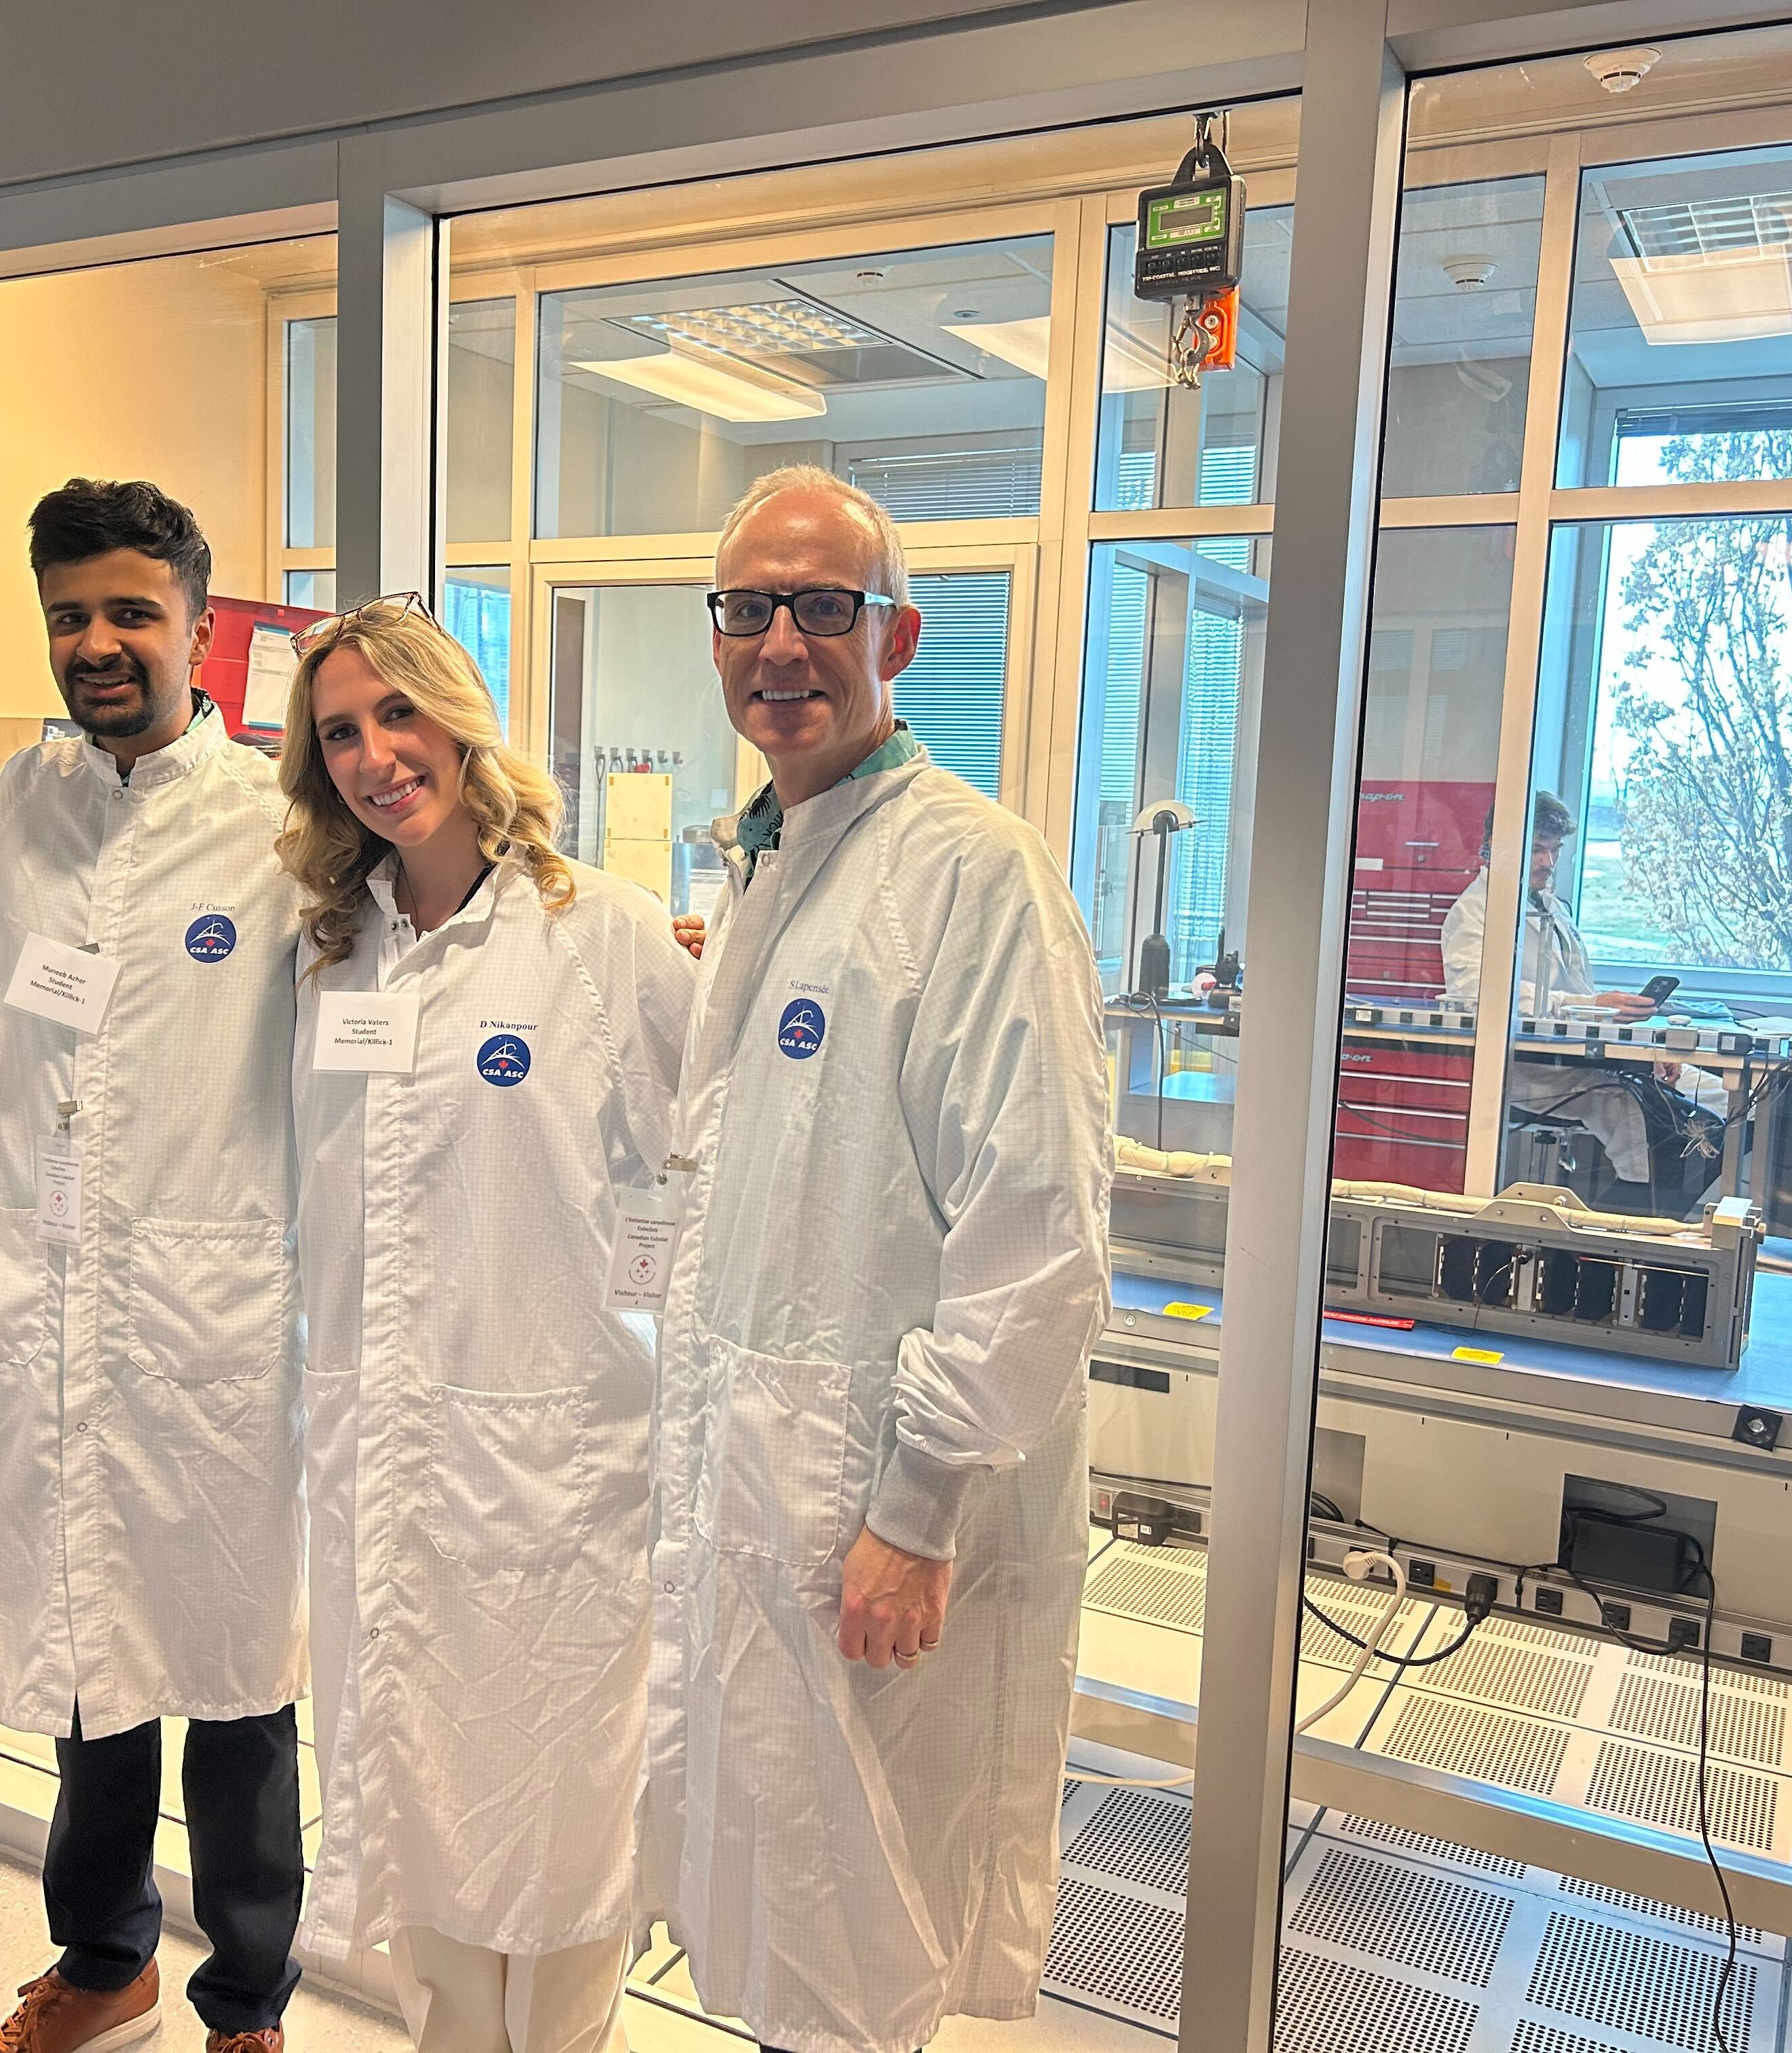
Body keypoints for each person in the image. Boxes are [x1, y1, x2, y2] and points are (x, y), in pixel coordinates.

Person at [647, 466, 1113, 2053]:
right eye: (750, 608)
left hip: (871, 1515)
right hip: (766, 1491)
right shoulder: (775, 859)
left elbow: (1038, 1242)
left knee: (862, 1937)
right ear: (716, 642)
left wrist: (916, 1511)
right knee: (787, 1906)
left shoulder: (978, 874)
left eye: (822, 606)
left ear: (895, 635)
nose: (783, 642)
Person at [278, 597, 693, 2053]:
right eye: (341, 731)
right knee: (417, 1790)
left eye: (401, 715)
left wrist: (637, 1337)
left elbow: (700, 1177)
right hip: (384, 1462)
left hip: (561, 1467)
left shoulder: (606, 937)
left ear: (462, 717)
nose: (380, 756)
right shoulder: (333, 957)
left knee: (566, 1808)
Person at [0, 479, 306, 2053]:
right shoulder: (4, 814)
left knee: (233, 1672)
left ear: (198, 626)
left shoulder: (287, 826)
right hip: (47, 1300)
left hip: (215, 1313)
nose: (99, 642)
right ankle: (102, 1959)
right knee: (91, 1662)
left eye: (131, 612)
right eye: (71, 613)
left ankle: (250, 2002)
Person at [1442, 792, 1719, 1214]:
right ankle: (1599, 1251)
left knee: (1720, 1103)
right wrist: (1591, 1004)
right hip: (1534, 1074)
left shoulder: (1553, 909)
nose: (1548, 863)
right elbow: (1484, 997)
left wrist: (1646, 1049)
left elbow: (1583, 1001)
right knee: (1649, 1128)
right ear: (1498, 846)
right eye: (1537, 849)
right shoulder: (1475, 913)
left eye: (1555, 850)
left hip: (1586, 1063)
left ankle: (1632, 1239)